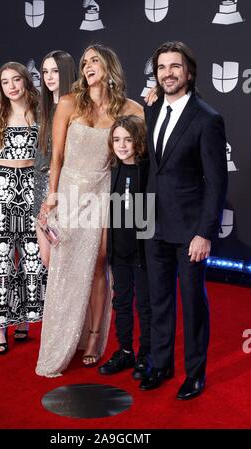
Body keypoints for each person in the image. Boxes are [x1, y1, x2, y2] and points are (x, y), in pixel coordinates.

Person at [36, 44, 144, 377]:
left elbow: (140, 149)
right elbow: (56, 158)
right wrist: (52, 197)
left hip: (102, 192)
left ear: (110, 66)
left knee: (98, 264)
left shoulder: (132, 109)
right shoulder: (68, 103)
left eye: (94, 60)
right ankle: (61, 339)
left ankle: (95, 336)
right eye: (84, 62)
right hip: (68, 190)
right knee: (64, 265)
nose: (87, 66)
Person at [140, 41, 228, 399]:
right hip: (153, 223)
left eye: (175, 66)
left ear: (189, 72)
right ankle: (161, 364)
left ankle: (195, 373)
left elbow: (218, 182)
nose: (168, 73)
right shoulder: (152, 107)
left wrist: (205, 233)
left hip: (190, 229)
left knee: (192, 302)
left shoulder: (208, 118)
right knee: (158, 300)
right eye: (162, 67)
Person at [0, 62, 47, 353]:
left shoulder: (40, 111)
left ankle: (25, 320)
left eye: (16, 79)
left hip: (33, 185)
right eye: (5, 82)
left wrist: (46, 197)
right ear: (1, 88)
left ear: (26, 81)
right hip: (3, 186)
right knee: (2, 257)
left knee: (32, 256)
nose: (12, 86)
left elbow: (45, 157)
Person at [98, 115, 151, 380]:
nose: (122, 145)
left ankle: (147, 354)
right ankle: (126, 350)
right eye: (117, 139)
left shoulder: (148, 170)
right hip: (119, 250)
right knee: (121, 302)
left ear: (139, 141)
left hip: (143, 252)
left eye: (128, 140)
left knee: (144, 304)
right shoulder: (113, 170)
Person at [33, 50, 77, 267]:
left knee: (66, 260)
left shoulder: (78, 108)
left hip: (64, 189)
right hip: (40, 188)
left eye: (55, 71)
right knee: (47, 259)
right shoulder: (42, 108)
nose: (49, 77)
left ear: (67, 73)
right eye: (45, 72)